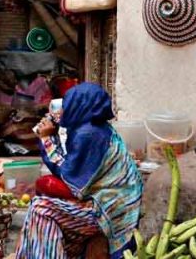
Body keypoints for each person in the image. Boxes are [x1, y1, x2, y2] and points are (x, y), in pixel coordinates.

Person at [16, 83, 143, 259]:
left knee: (40, 208)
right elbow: (71, 165)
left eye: (68, 105)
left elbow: (69, 177)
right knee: (42, 208)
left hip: (108, 210)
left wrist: (46, 138)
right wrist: (52, 136)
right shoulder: (96, 129)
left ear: (80, 105)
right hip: (105, 203)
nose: (64, 110)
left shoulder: (89, 134)